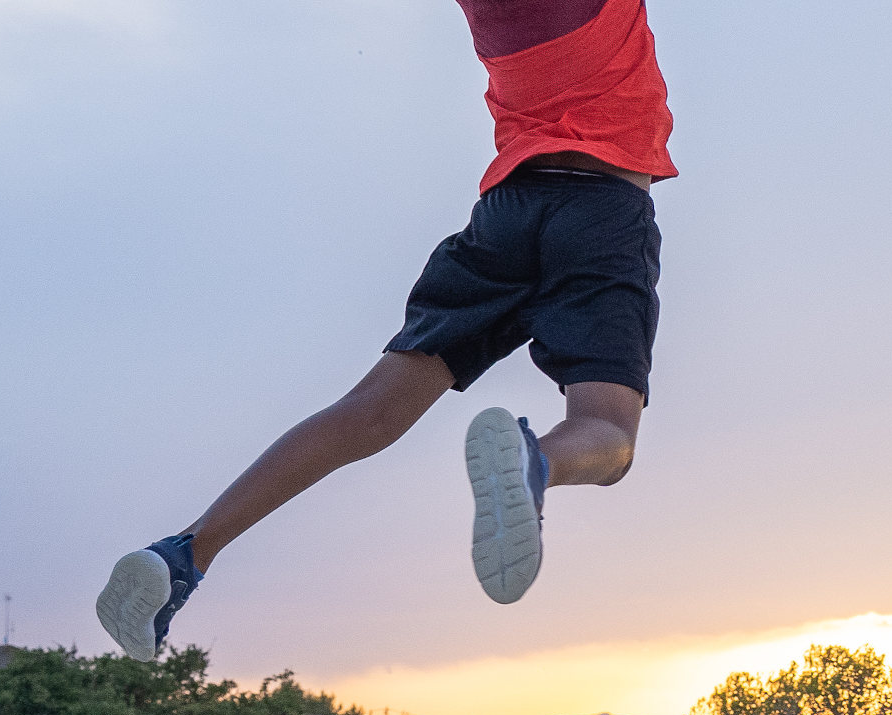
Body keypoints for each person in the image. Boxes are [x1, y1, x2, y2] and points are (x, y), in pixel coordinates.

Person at [97, 0, 677, 661]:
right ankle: (533, 463)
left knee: (370, 411)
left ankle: (183, 554)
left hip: (507, 213)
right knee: (609, 433)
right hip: (602, 213)